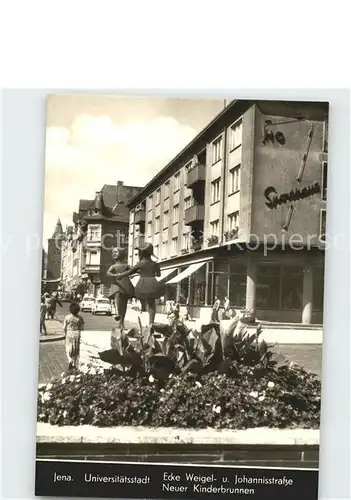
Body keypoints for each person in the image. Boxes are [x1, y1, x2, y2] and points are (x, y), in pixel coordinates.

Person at [115, 243, 163, 326]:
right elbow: (158, 275)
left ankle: (139, 312)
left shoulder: (140, 264)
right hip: (153, 284)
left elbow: (129, 272)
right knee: (152, 304)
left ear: (142, 253)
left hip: (143, 284)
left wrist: (120, 275)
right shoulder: (155, 264)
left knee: (142, 299)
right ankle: (151, 323)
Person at [106, 247, 134, 329]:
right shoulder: (113, 266)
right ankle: (117, 312)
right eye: (113, 252)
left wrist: (129, 273)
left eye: (116, 252)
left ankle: (121, 323)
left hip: (125, 285)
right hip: (117, 284)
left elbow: (134, 270)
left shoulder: (126, 266)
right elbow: (108, 273)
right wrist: (115, 275)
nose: (114, 254)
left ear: (121, 254)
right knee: (117, 296)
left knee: (124, 304)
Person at [63, 302, 84, 371]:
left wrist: (66, 333)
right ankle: (74, 364)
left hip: (69, 333)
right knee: (76, 349)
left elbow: (64, 327)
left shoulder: (67, 317)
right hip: (77, 333)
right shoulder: (80, 318)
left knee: (68, 349)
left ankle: (70, 361)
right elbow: (82, 328)